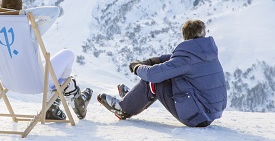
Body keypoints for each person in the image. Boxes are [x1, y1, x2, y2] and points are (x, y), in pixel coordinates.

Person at [0, 0, 93, 120]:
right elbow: (54, 11)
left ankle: (61, 99)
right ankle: (60, 100)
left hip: (8, 82)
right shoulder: (29, 31)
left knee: (49, 65)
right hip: (37, 83)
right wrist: (22, 15)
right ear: (20, 8)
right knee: (68, 54)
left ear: (0, 7)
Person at [97, 19, 227, 127]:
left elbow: (153, 74)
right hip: (209, 112)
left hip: (197, 116)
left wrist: (137, 67)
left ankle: (123, 108)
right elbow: (174, 60)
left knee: (156, 80)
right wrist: (154, 61)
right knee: (164, 75)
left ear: (185, 35)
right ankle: (135, 97)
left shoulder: (186, 58)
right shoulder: (206, 52)